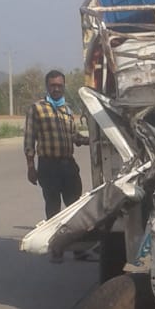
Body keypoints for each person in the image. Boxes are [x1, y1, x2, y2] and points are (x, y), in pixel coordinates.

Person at [24, 71, 88, 218]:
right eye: (53, 85)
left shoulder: (67, 109)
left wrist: (91, 141)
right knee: (53, 207)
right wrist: (30, 168)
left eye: (59, 85)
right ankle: (56, 238)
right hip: (48, 166)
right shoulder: (37, 108)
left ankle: (73, 237)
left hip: (68, 165)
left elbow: (73, 135)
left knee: (74, 205)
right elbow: (29, 139)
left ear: (64, 86)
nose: (56, 89)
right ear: (47, 86)